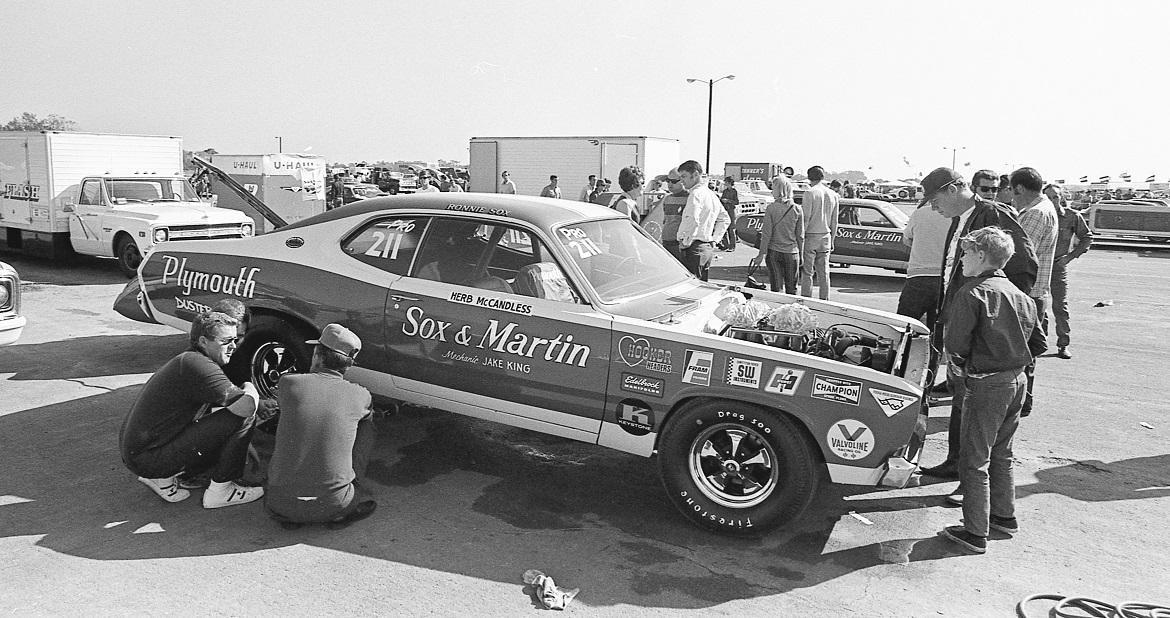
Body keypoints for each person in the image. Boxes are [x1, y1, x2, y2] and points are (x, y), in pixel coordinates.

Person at [919, 167, 1038, 484]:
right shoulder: (962, 218)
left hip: (982, 331)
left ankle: (969, 478)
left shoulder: (992, 214)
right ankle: (956, 461)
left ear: (952, 190)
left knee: (974, 408)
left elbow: (1025, 266)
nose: (933, 207)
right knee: (961, 398)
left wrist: (998, 315)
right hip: (962, 319)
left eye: (934, 200)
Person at [938, 226, 1045, 554]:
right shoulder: (1021, 296)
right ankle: (1003, 515)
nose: (961, 261)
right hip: (1017, 380)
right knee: (1002, 452)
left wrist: (960, 367)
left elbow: (955, 344)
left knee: (974, 458)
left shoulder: (972, 293)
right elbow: (1038, 343)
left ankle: (974, 531)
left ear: (981, 256)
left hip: (986, 384)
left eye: (966, 253)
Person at [118, 311, 264, 508]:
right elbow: (246, 408)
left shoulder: (188, 360)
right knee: (243, 416)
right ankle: (221, 491)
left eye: (235, 339)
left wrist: (240, 442)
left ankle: (163, 479)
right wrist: (250, 385)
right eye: (226, 341)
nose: (233, 346)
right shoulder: (198, 365)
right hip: (148, 459)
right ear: (204, 341)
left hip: (140, 453)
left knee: (230, 416)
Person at [265, 324, 377, 530]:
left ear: (317, 354)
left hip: (278, 504)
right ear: (348, 365)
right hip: (335, 505)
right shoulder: (361, 394)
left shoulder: (288, 383)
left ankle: (292, 515)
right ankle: (346, 498)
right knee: (366, 425)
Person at [1010, 167, 1058, 418]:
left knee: (1020, 353)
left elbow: (1018, 256)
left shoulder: (1035, 214)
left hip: (1028, 294)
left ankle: (1020, 402)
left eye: (1012, 190)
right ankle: (1022, 401)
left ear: (1019, 188)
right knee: (1025, 351)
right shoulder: (1042, 208)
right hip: (1035, 293)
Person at [1044, 183, 1093, 359]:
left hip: (1057, 266)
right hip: (1039, 265)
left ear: (1061, 198)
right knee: (1038, 305)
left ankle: (1063, 344)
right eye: (1048, 197)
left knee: (1060, 306)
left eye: (1055, 197)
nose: (1052, 201)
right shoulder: (1038, 215)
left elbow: (1087, 238)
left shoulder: (1072, 217)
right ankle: (1039, 343)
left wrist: (1069, 258)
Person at [896, 201, 952, 330]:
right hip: (945, 276)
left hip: (918, 275)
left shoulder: (919, 214)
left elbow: (906, 239)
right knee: (937, 328)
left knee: (904, 325)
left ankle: (903, 349)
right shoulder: (955, 215)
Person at [676, 160, 730, 281]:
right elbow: (725, 219)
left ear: (695, 174)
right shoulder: (711, 194)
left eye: (684, 176)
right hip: (706, 249)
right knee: (702, 287)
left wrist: (685, 242)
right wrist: (714, 240)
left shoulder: (696, 194)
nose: (682, 181)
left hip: (693, 249)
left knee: (691, 288)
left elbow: (692, 219)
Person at [750, 183, 803, 293]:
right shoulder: (797, 209)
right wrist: (801, 254)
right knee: (792, 289)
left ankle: (778, 309)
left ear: (779, 191)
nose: (772, 192)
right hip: (792, 252)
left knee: (776, 289)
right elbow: (800, 235)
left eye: (773, 189)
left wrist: (761, 254)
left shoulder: (771, 208)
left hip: (774, 252)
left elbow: (766, 234)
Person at [799, 166, 840, 299]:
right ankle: (825, 300)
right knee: (824, 273)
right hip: (826, 235)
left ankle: (806, 300)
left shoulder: (810, 193)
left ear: (809, 177)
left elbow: (805, 218)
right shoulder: (833, 195)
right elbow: (834, 221)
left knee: (807, 272)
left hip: (811, 235)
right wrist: (832, 239)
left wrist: (801, 238)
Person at [659, 168, 689, 264]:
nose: (670, 184)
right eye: (668, 181)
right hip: (666, 241)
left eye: (674, 181)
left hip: (680, 244)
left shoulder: (690, 198)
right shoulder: (667, 199)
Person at [718, 176, 739, 252]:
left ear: (730, 182)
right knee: (724, 228)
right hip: (725, 210)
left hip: (731, 211)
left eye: (726, 182)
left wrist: (728, 201)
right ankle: (726, 244)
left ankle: (732, 246)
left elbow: (736, 202)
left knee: (731, 229)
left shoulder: (734, 191)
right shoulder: (725, 191)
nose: (725, 183)